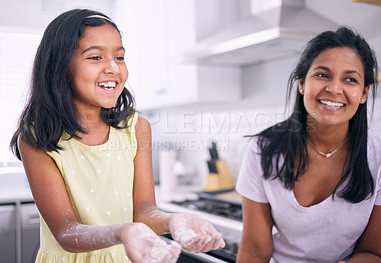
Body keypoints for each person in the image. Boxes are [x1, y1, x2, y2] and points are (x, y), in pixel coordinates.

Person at [10, 9, 225, 263]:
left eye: (119, 57)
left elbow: (144, 212)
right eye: (96, 57)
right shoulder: (37, 137)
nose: (113, 68)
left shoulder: (136, 128)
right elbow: (66, 232)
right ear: (61, 66)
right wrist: (123, 231)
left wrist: (172, 220)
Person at [235, 26, 381, 263]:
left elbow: (375, 253)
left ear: (364, 93)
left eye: (350, 79)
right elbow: (254, 251)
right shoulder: (262, 149)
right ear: (302, 84)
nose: (334, 89)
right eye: (322, 75)